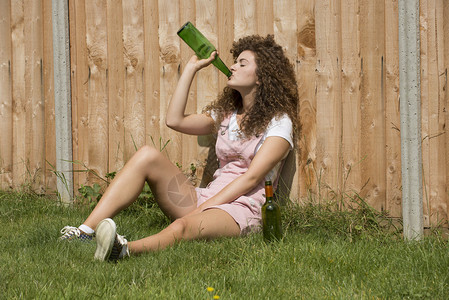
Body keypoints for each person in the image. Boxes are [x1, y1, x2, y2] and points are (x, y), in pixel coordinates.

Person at [60, 34, 300, 261]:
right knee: (146, 155)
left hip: (241, 208)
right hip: (207, 197)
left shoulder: (279, 122)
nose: (234, 66)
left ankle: (121, 250)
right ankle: (84, 232)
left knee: (183, 226)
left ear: (261, 77)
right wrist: (191, 68)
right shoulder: (228, 114)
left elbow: (252, 178)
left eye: (243, 64)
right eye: (235, 62)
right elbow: (175, 120)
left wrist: (203, 209)